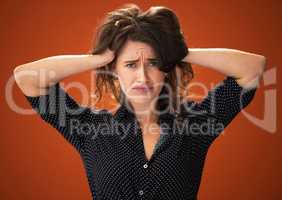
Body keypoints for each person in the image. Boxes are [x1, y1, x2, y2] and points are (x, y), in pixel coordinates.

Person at [13, 4, 266, 200]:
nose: (142, 76)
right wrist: (98, 59)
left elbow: (253, 68)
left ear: (166, 68)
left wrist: (176, 50)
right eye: (131, 65)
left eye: (154, 63)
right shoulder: (90, 130)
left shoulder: (193, 126)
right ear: (114, 70)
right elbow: (27, 77)